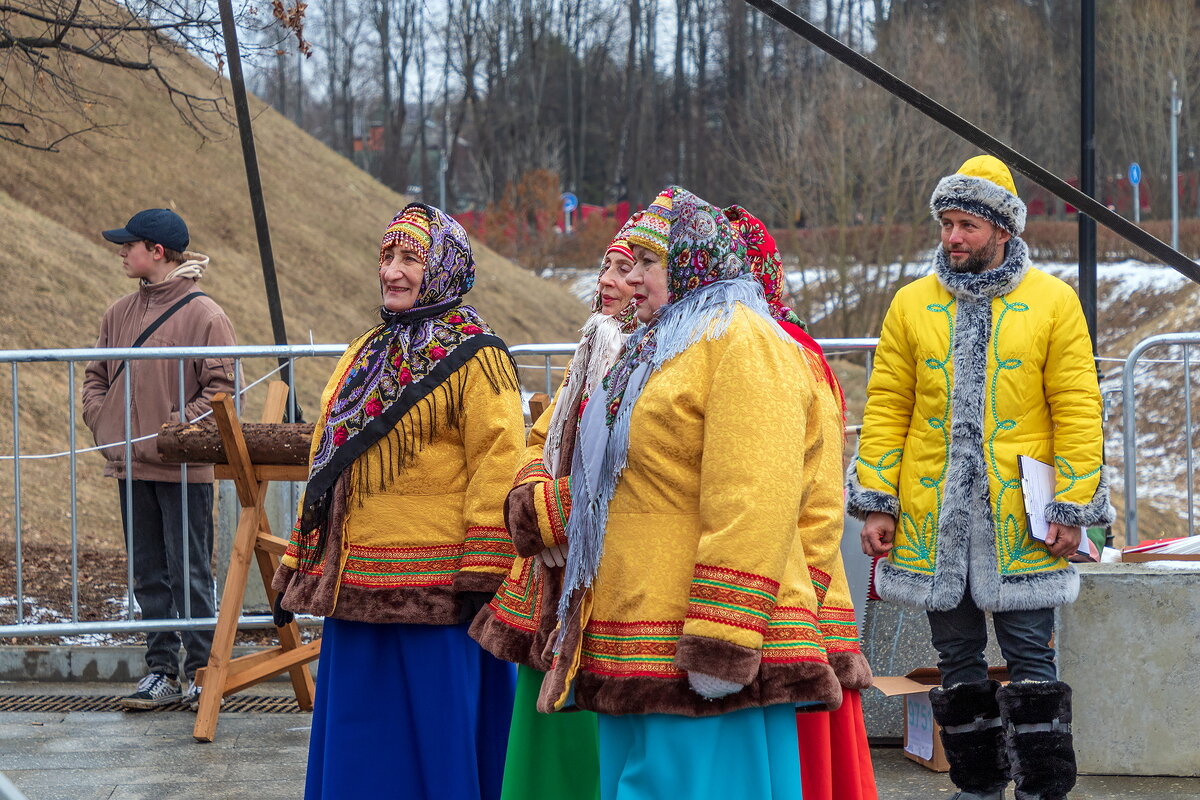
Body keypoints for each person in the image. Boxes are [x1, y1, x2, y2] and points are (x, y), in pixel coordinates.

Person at [539, 187, 842, 800]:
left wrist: (721, 638)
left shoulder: (743, 340)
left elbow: (754, 495)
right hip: (635, 628)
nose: (636, 277)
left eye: (650, 263)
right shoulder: (657, 345)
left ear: (693, 261)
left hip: (693, 644)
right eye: (634, 263)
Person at [848, 156, 1111, 800]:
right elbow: (887, 408)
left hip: (1022, 521)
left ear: (1002, 229)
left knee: (1032, 661)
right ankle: (977, 789)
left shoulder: (1053, 301)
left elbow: (1078, 408)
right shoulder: (912, 304)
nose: (954, 237)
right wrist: (878, 504)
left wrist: (1071, 508)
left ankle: (1045, 790)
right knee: (958, 665)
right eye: (946, 223)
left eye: (967, 223)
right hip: (934, 525)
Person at [271, 203, 525, 800]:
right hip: (357, 589)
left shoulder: (479, 354)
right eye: (387, 257)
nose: (392, 271)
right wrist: (307, 560)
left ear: (442, 267)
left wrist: (483, 574)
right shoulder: (364, 351)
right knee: (362, 743)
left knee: (435, 739)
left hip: (437, 597)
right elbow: (326, 462)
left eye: (410, 257)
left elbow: (498, 463)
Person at [470, 218, 640, 800]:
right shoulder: (590, 353)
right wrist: (533, 489)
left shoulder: (648, 358)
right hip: (549, 568)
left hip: (604, 572)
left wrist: (551, 505)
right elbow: (542, 439)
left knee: (590, 732)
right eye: (607, 268)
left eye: (626, 269)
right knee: (542, 716)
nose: (610, 282)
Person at [726, 204, 878, 800]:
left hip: (787, 592)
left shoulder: (783, 353)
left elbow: (816, 491)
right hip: (771, 585)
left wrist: (808, 591)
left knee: (802, 760)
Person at [82, 208, 237, 711]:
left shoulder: (205, 314)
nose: (121, 252)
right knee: (147, 572)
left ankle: (199, 673)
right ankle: (160, 670)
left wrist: (172, 432)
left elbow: (220, 392)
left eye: (129, 245)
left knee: (190, 571)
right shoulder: (117, 312)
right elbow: (95, 377)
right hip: (129, 467)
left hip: (183, 468)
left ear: (157, 251)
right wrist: (102, 420)